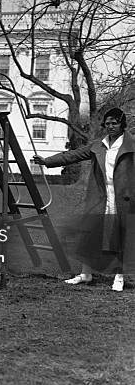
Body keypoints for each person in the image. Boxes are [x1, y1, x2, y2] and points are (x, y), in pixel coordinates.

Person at [33, 107, 134, 292]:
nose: (110, 126)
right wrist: (47, 161)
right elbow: (73, 155)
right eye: (108, 123)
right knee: (89, 233)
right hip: (100, 196)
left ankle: (119, 276)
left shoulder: (131, 145)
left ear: (122, 124)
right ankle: (85, 274)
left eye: (115, 123)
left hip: (124, 198)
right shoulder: (98, 144)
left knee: (120, 236)